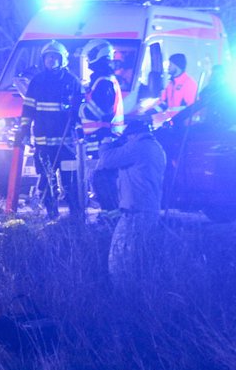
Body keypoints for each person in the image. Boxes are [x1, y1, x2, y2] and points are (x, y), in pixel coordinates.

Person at [98, 113, 165, 289]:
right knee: (136, 259)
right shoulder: (154, 147)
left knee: (119, 260)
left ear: (132, 135)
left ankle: (123, 297)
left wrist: (105, 143)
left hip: (136, 212)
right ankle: (137, 296)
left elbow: (106, 160)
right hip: (144, 209)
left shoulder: (138, 146)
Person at [20, 40, 84, 220]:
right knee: (46, 180)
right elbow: (28, 108)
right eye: (48, 57)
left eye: (55, 57)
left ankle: (76, 216)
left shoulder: (72, 82)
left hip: (66, 144)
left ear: (63, 59)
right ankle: (51, 214)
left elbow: (81, 109)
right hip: (43, 143)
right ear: (44, 59)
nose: (51, 60)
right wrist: (24, 128)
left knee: (70, 180)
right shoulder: (37, 81)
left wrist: (78, 126)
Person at [80, 41, 124, 211]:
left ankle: (110, 215)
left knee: (103, 180)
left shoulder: (104, 81)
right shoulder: (101, 79)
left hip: (103, 138)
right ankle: (108, 215)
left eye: (90, 56)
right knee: (99, 180)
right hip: (101, 138)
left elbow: (99, 111)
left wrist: (79, 106)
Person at [156, 53, 198, 118]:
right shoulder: (171, 83)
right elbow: (162, 101)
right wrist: (149, 112)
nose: (168, 67)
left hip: (181, 123)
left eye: (170, 64)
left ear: (177, 66)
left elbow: (193, 107)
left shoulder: (189, 83)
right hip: (171, 121)